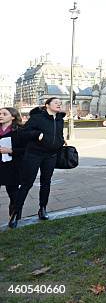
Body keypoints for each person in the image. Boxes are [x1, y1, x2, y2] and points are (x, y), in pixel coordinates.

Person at [11, 97, 65, 227]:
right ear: (47, 105)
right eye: (56, 102)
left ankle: (42, 209)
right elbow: (22, 133)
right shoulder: (37, 118)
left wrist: (60, 141)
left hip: (50, 156)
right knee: (26, 183)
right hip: (34, 154)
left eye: (60, 103)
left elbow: (59, 134)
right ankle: (15, 214)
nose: (59, 104)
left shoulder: (60, 119)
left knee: (46, 182)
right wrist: (36, 134)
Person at [1, 107, 24, 227]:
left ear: (13, 117)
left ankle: (14, 217)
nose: (1, 115)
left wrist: (10, 150)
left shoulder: (20, 131)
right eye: (0, 113)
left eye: (4, 114)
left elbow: (26, 150)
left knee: (13, 193)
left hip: (12, 167)